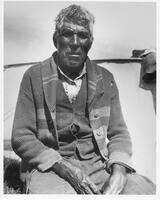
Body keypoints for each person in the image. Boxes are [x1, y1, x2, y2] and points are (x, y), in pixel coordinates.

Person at [12, 4, 156, 194]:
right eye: (67, 33)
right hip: (50, 168)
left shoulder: (106, 79)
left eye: (82, 35)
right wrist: (61, 165)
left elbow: (119, 133)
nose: (75, 42)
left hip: (98, 165)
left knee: (144, 191)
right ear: (56, 39)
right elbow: (21, 136)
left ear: (91, 42)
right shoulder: (34, 76)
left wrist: (119, 170)